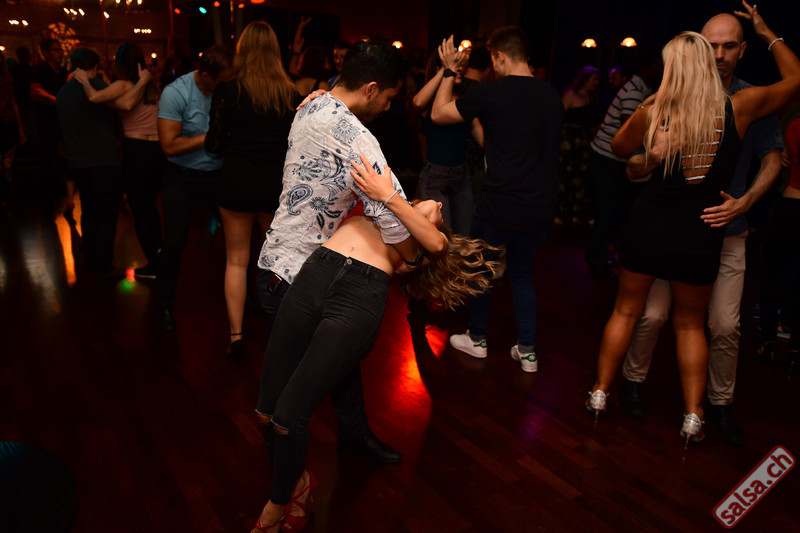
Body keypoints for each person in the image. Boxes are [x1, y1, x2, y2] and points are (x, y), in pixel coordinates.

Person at [585, 2, 800, 449]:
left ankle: (600, 393)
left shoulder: (655, 108)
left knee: (629, 312)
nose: (720, 55)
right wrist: (768, 32)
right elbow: (796, 80)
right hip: (699, 233)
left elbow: (618, 149)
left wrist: (651, 149)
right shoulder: (737, 106)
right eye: (712, 48)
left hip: (652, 226)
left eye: (728, 46)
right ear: (704, 59)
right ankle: (692, 415)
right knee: (687, 325)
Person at [251, 157, 501, 533]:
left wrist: (390, 197)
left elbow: (436, 242)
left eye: (437, 212)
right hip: (315, 274)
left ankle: (276, 504)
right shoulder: (375, 203)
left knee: (289, 417)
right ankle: (298, 481)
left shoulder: (416, 244)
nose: (438, 202)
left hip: (358, 297)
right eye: (431, 202)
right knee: (265, 413)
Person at [255, 40, 409, 468]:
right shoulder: (358, 138)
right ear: (371, 88)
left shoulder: (313, 105)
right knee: (286, 398)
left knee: (338, 360)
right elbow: (397, 222)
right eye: (389, 97)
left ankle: (354, 436)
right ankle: (287, 483)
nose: (388, 107)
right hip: (297, 280)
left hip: (279, 264)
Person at [431, 28, 563, 373]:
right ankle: (528, 353)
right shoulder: (552, 96)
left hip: (498, 204)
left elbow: (438, 114)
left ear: (500, 56)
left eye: (493, 60)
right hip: (540, 205)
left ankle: (477, 339)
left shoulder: (491, 92)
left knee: (481, 270)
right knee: (522, 276)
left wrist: (449, 71)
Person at [205, 21, 300, 358]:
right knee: (276, 262)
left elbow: (214, 144)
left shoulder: (228, 91)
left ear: (241, 51)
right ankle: (282, 334)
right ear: (276, 52)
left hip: (238, 183)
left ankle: (236, 336)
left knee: (236, 261)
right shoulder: (291, 94)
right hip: (275, 187)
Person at [156, 45, 233, 331]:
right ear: (205, 75)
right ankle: (164, 304)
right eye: (222, 80)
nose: (227, 85)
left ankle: (245, 296)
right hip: (182, 177)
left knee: (239, 236)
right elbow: (169, 146)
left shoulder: (226, 90)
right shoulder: (176, 93)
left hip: (219, 175)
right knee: (174, 243)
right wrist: (211, 136)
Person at [73, 43, 163, 279]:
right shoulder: (153, 86)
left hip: (137, 151)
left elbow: (94, 97)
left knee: (140, 210)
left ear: (120, 64)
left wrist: (84, 81)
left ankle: (154, 267)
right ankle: (161, 259)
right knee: (150, 208)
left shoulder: (124, 85)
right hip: (157, 152)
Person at [585, 53, 661, 278]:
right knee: (607, 212)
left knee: (613, 211)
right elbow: (629, 130)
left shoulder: (642, 89)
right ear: (645, 68)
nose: (660, 71)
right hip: (606, 158)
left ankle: (600, 255)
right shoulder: (635, 91)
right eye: (657, 66)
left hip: (612, 159)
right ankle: (596, 259)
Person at [55, 48, 124, 278]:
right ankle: (102, 265)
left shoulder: (63, 93)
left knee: (89, 211)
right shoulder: (98, 87)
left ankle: (91, 257)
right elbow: (123, 106)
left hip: (78, 161)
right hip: (102, 160)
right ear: (95, 67)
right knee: (106, 214)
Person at [411, 49, 478, 235]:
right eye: (455, 64)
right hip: (436, 178)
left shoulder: (463, 101)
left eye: (460, 65)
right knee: (443, 236)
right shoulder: (429, 102)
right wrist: (446, 69)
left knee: (464, 234)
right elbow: (417, 103)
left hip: (462, 175)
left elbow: (479, 133)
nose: (459, 68)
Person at [759, 116, 800, 372]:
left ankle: (769, 341)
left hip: (791, 204)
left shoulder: (796, 125)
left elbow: (785, 159)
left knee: (771, 273)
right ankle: (796, 348)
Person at [30, 38, 69, 216]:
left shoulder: (63, 72)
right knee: (51, 160)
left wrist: (55, 100)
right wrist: (57, 102)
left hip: (62, 120)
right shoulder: (39, 71)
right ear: (46, 53)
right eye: (56, 50)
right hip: (47, 121)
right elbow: (35, 94)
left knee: (65, 158)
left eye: (60, 49)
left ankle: (64, 196)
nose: (60, 53)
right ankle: (49, 202)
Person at [557, 66, 600, 226]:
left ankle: (573, 211)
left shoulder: (591, 98)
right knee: (564, 176)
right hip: (568, 141)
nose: (596, 83)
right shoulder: (571, 95)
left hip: (583, 141)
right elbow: (558, 116)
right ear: (584, 80)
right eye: (593, 79)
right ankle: (559, 212)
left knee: (579, 177)